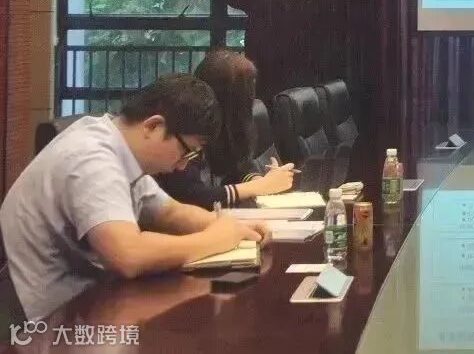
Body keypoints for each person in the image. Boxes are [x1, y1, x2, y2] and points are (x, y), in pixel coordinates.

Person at [0, 74, 269, 321]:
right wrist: (214, 239)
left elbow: (169, 212)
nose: (183, 166)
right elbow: (127, 254)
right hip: (50, 324)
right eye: (186, 152)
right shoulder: (92, 158)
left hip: (91, 303)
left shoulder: (118, 148)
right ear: (153, 126)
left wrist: (232, 228)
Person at [156, 49, 293, 209]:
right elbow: (191, 195)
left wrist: (256, 179)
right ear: (235, 97)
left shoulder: (229, 126)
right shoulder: (188, 129)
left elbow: (238, 165)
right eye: (249, 89)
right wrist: (260, 186)